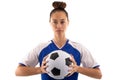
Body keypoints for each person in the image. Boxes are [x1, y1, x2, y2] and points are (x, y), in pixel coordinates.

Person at [15, 1, 102, 80]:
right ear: (50, 22)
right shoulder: (41, 48)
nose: (59, 26)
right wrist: (39, 70)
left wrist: (77, 68)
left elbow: (98, 74)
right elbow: (18, 71)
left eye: (62, 22)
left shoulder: (78, 48)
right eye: (55, 22)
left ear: (68, 22)